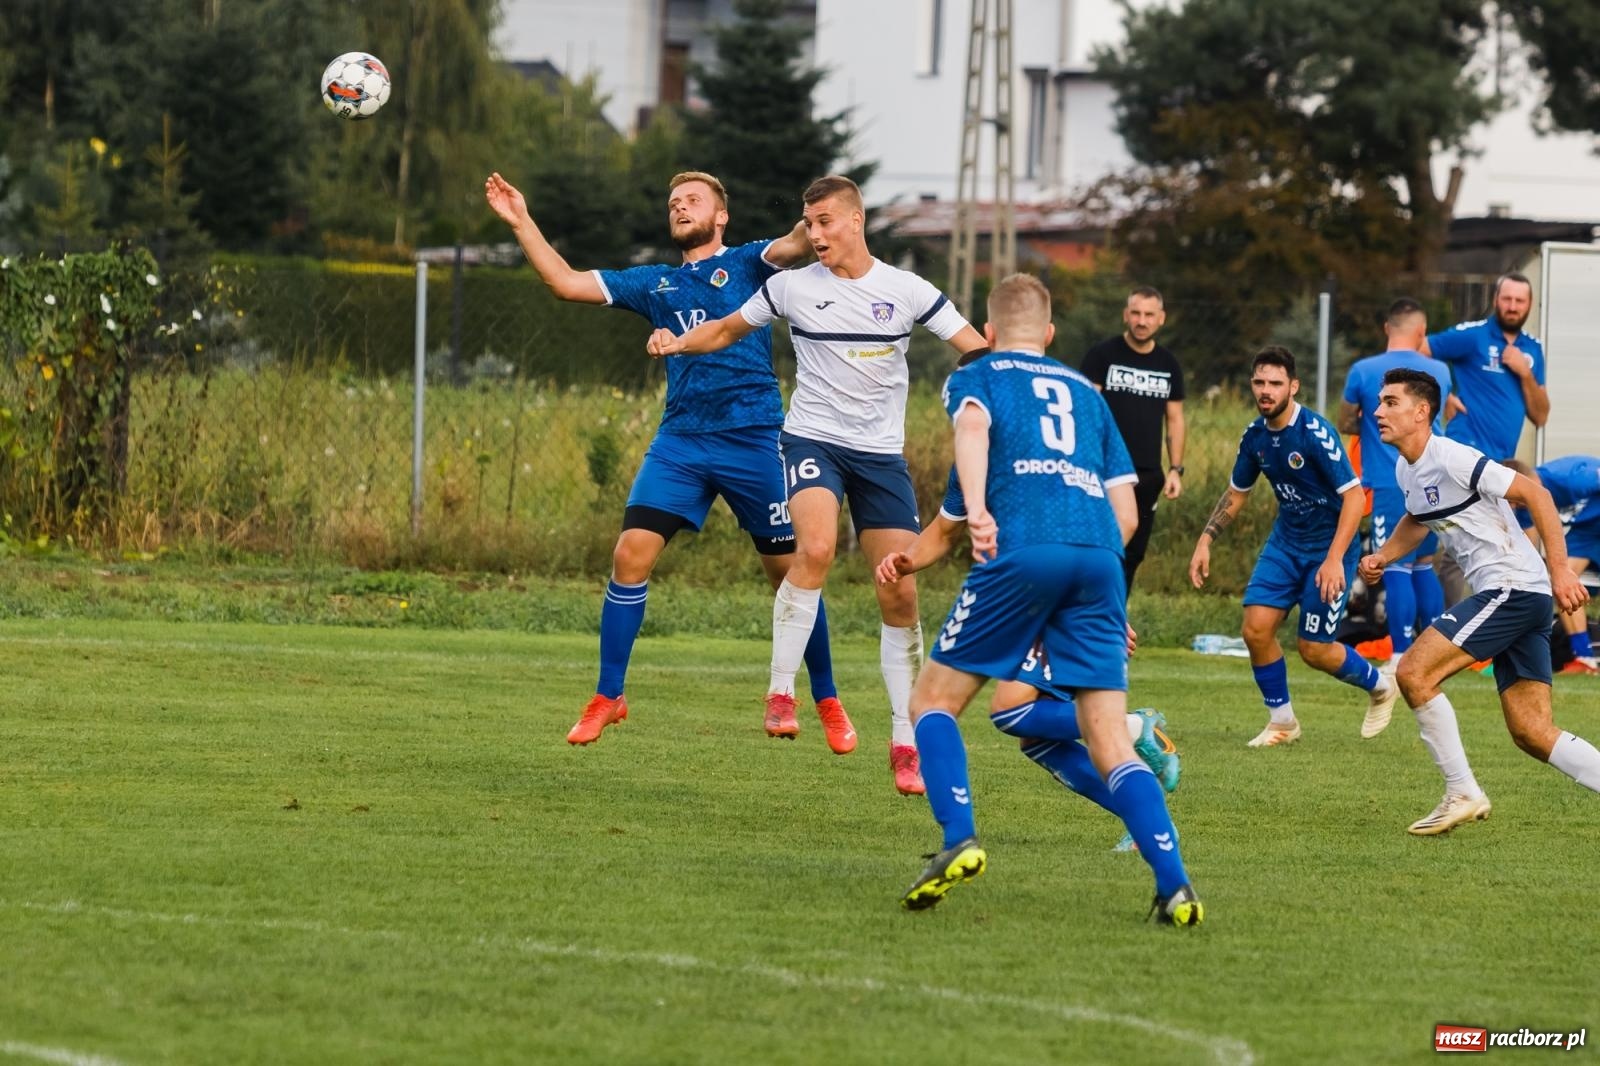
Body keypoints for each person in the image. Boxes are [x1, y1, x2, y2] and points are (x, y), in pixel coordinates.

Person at [646, 175, 987, 794]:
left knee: (900, 593)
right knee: (818, 548)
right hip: (812, 441)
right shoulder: (790, 286)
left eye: (826, 222)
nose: (816, 235)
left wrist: (1012, 376)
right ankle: (781, 692)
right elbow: (723, 330)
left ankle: (904, 741)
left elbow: (974, 349)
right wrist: (677, 342)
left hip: (880, 457)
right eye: (809, 224)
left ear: (856, 220)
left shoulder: (907, 290)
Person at [485, 170, 843, 746]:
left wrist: (823, 212)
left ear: (721, 215)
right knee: (629, 555)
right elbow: (566, 283)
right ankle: (609, 695)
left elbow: (798, 242)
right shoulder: (655, 283)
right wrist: (521, 221)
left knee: (790, 574)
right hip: (681, 443)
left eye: (694, 199)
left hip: (754, 437)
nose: (680, 207)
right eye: (674, 201)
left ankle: (826, 697)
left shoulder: (750, 262)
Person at [890, 274, 1202, 925]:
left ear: (990, 330)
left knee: (932, 702)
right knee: (1108, 739)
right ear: (1051, 333)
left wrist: (981, 510)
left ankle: (959, 838)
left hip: (1025, 550)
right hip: (1100, 558)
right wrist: (1091, 581)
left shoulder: (979, 375)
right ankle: (1175, 887)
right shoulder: (1088, 394)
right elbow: (1127, 513)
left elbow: (971, 430)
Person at [875, 465, 1182, 852]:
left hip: (1058, 596)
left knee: (1012, 710)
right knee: (1038, 740)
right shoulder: (969, 462)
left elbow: (1094, 527)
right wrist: (906, 560)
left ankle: (1134, 727)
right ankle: (1147, 821)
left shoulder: (1034, 454)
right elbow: (943, 530)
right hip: (1023, 599)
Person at [1359, 368, 1600, 834]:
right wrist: (1384, 555)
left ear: (1421, 412)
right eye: (1380, 402)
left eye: (1390, 402)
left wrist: (1559, 570)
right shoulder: (1406, 468)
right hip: (1519, 594)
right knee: (1531, 731)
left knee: (1413, 673)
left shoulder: (1452, 456)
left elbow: (1536, 494)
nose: (1378, 412)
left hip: (1512, 588)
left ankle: (1462, 792)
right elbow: (1417, 517)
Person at [1189, 347, 1398, 746]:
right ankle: (1282, 722)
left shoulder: (1314, 433)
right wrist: (1205, 540)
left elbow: (1354, 498)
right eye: (1259, 382)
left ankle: (1381, 686)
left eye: (1275, 383)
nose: (1266, 391)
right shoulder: (1255, 437)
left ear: (1293, 386)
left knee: (1314, 649)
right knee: (1255, 630)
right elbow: (1237, 493)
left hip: (1330, 548)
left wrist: (1334, 560)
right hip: (1286, 544)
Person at [1338, 298, 1452, 700]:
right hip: (1435, 479)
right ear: (1422, 332)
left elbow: (1345, 419)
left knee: (1396, 565)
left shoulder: (1363, 370)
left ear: (1388, 328)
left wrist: (1370, 426)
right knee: (1424, 564)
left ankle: (1402, 652)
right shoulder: (1440, 370)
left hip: (1390, 479)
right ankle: (1438, 653)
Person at [1422, 273, 1550, 605]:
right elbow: (1418, 349)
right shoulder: (1473, 335)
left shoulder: (1533, 349)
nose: (1512, 306)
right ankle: (1447, 625)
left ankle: (1491, 619)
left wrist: (1525, 372)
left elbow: (1541, 415)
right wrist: (1443, 394)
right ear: (1496, 300)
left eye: (1519, 301)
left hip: (1501, 463)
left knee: (1496, 546)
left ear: (1529, 305)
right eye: (1507, 299)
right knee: (1459, 545)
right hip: (1465, 455)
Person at [1079, 286, 1186, 594]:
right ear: (1126, 315)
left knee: (1133, 554)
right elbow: (1085, 412)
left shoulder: (1168, 364)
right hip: (1105, 471)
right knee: (1097, 546)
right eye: (1136, 313)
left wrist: (1176, 469)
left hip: (1148, 473)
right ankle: (1083, 608)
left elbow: (1175, 419)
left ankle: (1114, 615)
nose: (1142, 321)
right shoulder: (1102, 355)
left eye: (1149, 314)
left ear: (1161, 318)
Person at [1502, 456, 1600, 675]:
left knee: (1564, 581)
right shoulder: (1524, 504)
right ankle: (1584, 658)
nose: (1514, 506)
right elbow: (1528, 548)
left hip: (1592, 527)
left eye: (1512, 500)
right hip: (1585, 534)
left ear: (1523, 480)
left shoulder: (1569, 477)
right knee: (1561, 583)